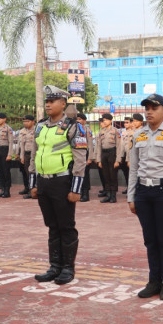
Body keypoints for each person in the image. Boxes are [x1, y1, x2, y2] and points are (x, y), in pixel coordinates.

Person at [128, 94, 163, 301]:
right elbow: (133, 168)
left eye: (154, 107)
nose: (149, 111)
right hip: (143, 192)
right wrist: (130, 196)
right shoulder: (138, 135)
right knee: (149, 239)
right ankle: (154, 281)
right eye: (147, 108)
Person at [30, 85, 89, 285]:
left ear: (63, 104)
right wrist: (34, 182)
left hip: (62, 182)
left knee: (66, 226)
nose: (48, 105)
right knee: (52, 226)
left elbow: (80, 159)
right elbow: (34, 153)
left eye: (52, 101)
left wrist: (76, 188)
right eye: (46, 102)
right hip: (44, 182)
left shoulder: (73, 126)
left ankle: (67, 268)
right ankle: (54, 266)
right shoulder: (40, 126)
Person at [95, 113, 122, 203]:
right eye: (104, 120)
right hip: (104, 154)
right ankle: (108, 195)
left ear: (111, 121)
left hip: (112, 153)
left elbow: (119, 146)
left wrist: (118, 160)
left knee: (112, 175)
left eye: (106, 120)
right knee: (105, 175)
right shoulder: (101, 132)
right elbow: (98, 146)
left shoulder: (115, 131)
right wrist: (99, 160)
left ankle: (113, 196)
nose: (104, 121)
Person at [0, 112, 14, 198]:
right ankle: (2, 190)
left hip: (5, 150)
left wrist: (10, 154)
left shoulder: (8, 128)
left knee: (6, 171)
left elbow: (11, 142)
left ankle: (7, 191)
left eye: (0, 119)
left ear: (4, 119)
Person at [75, 113, 93, 201]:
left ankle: (85, 194)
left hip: (84, 154)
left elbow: (90, 144)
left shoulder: (87, 130)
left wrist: (90, 157)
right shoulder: (73, 129)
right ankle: (79, 192)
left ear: (84, 121)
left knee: (85, 175)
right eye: (77, 119)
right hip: (75, 155)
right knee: (76, 174)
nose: (78, 121)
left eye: (80, 119)